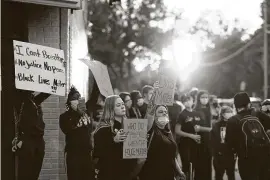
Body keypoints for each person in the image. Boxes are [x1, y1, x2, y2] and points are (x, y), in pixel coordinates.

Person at [226, 92, 270, 180]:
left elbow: (229, 145)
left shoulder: (232, 120)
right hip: (265, 157)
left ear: (235, 106)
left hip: (246, 160)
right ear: (249, 104)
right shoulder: (258, 114)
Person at [93, 95, 137, 180]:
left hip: (128, 174)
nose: (122, 106)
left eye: (122, 104)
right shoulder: (103, 129)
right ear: (111, 109)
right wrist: (113, 140)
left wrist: (140, 139)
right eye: (118, 105)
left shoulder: (130, 126)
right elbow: (97, 155)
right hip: (110, 174)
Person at [139, 104, 186, 180]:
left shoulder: (167, 132)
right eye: (160, 112)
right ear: (154, 116)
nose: (164, 113)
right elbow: (149, 117)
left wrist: (179, 171)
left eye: (165, 112)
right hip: (153, 174)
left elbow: (171, 156)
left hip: (168, 174)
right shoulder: (150, 131)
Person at [12, 90, 51, 180]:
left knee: (35, 173)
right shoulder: (22, 100)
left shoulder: (34, 100)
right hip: (28, 140)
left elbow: (45, 93)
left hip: (39, 141)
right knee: (26, 174)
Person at [59, 86, 92, 180]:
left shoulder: (85, 113)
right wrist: (75, 113)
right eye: (74, 99)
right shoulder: (64, 117)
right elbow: (68, 129)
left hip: (86, 152)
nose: (77, 101)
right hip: (74, 154)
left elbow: (94, 96)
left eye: (79, 98)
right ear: (69, 101)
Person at [175, 94, 201, 179]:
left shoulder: (196, 113)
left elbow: (198, 128)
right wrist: (191, 136)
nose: (188, 102)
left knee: (194, 165)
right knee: (186, 165)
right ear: (183, 103)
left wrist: (197, 135)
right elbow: (177, 131)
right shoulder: (182, 114)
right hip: (185, 143)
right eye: (185, 101)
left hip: (196, 142)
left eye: (189, 100)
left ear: (193, 100)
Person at [211, 106, 235, 180]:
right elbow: (213, 140)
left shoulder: (235, 124)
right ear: (223, 114)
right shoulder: (216, 125)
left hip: (231, 153)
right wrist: (216, 152)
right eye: (228, 112)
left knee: (231, 175)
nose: (230, 114)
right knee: (219, 175)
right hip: (219, 154)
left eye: (231, 112)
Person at [194, 90, 212, 180]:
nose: (205, 99)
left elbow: (210, 127)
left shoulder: (209, 110)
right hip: (198, 140)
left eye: (206, 97)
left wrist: (204, 129)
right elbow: (195, 128)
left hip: (208, 140)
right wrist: (209, 129)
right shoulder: (195, 111)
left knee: (208, 163)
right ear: (198, 99)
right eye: (202, 97)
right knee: (199, 164)